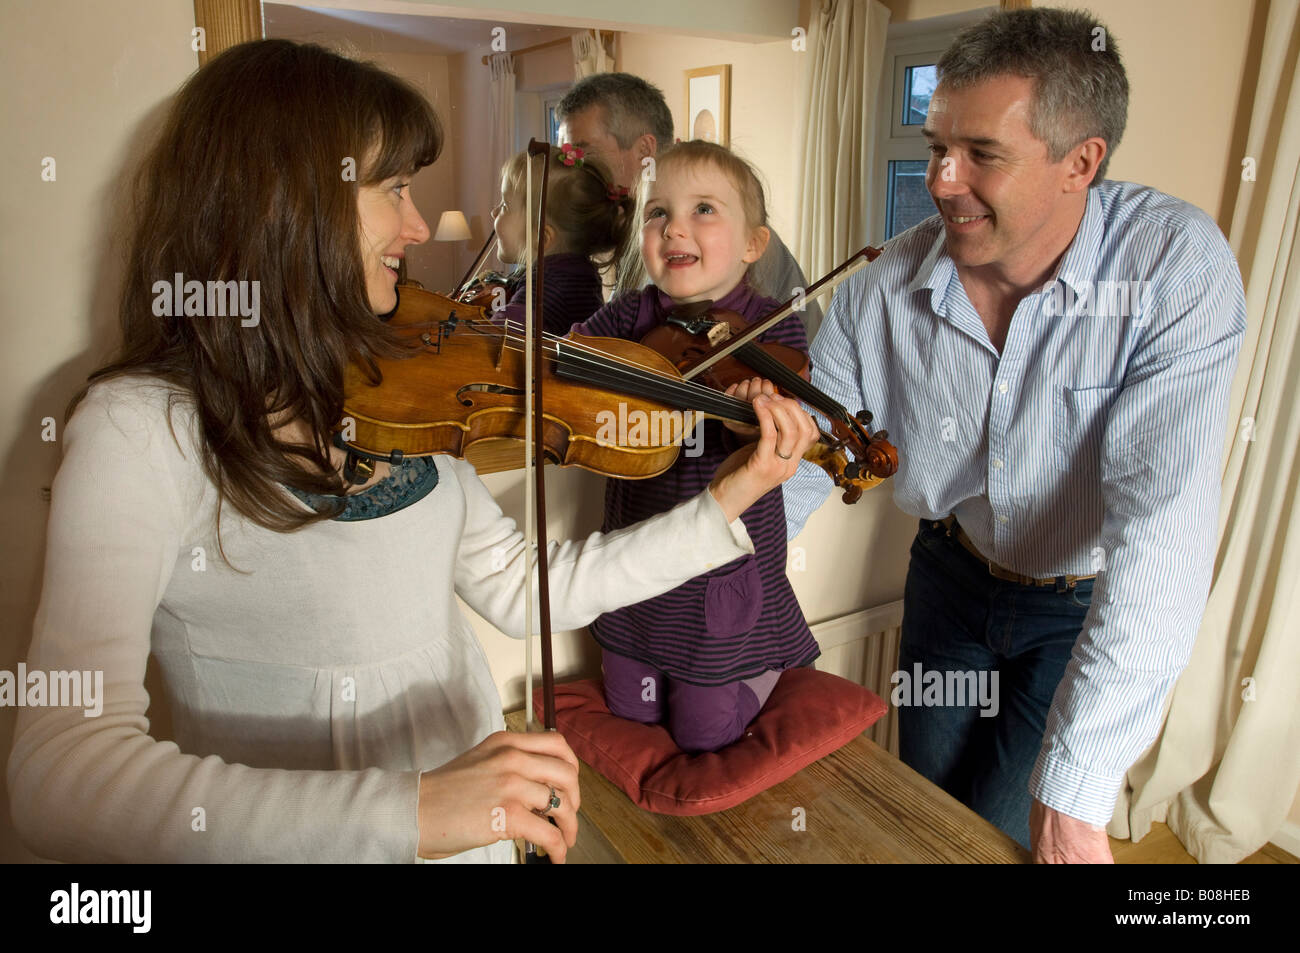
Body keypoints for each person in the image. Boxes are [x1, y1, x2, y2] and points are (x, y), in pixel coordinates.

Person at [6, 39, 819, 864]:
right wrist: (415, 808)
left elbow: (522, 587)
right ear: (287, 201)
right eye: (394, 189)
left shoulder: (405, 379)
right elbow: (58, 776)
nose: (420, 224)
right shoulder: (142, 428)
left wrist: (727, 496)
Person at [782, 7, 1246, 861]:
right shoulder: (884, 284)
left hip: (1078, 609)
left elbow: (1164, 529)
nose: (943, 180)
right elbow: (810, 459)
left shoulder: (1176, 267)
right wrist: (711, 594)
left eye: (982, 155)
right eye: (935, 148)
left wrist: (1078, 796)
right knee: (925, 806)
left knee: (1001, 830)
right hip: (949, 582)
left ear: (1082, 162)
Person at [569, 141, 817, 752]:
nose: (674, 227)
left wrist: (751, 417)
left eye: (704, 209)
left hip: (717, 561)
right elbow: (571, 362)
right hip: (636, 548)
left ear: (753, 244)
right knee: (632, 707)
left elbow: (773, 436)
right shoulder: (629, 314)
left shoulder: (772, 323)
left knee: (704, 731)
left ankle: (764, 666)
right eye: (658, 213)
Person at [556, 73, 826, 342]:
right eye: (567, 158)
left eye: (583, 153)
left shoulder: (733, 244)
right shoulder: (645, 239)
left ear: (643, 150)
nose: (573, 169)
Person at [489, 144, 634, 335]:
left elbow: (498, 340)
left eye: (505, 205)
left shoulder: (547, 283)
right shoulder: (579, 275)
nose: (494, 212)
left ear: (540, 237)